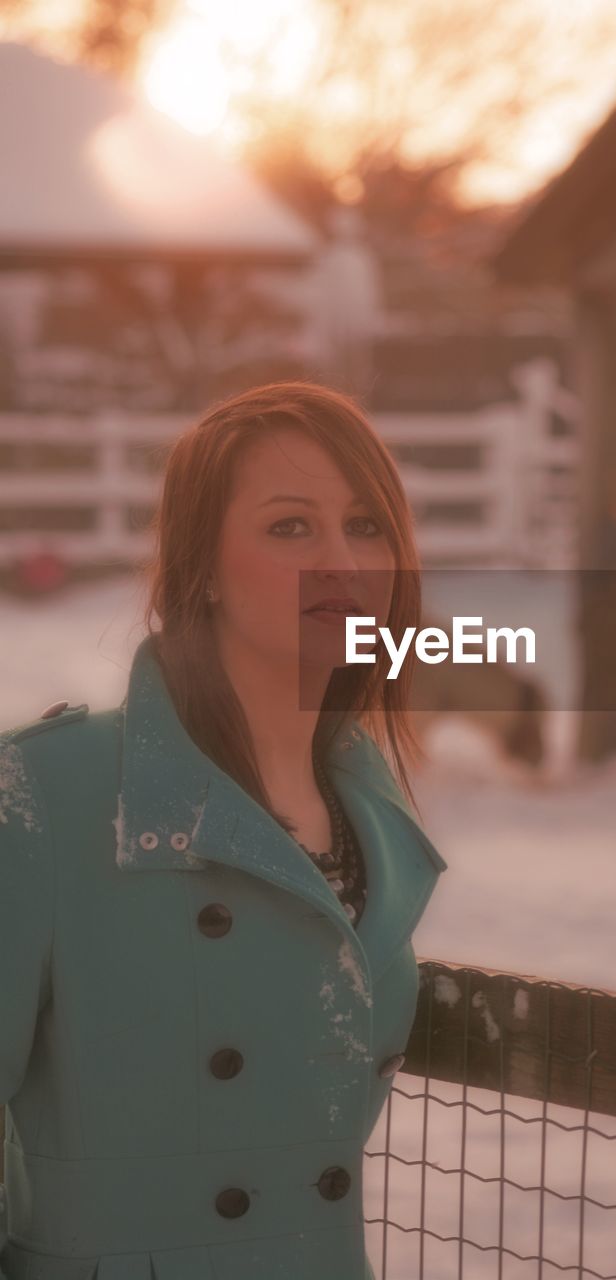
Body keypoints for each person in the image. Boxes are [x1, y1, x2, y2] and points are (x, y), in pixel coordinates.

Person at [0, 381, 449, 1280]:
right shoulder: (46, 794)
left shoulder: (375, 810)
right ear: (199, 566)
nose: (340, 562)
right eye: (290, 527)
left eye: (366, 527)